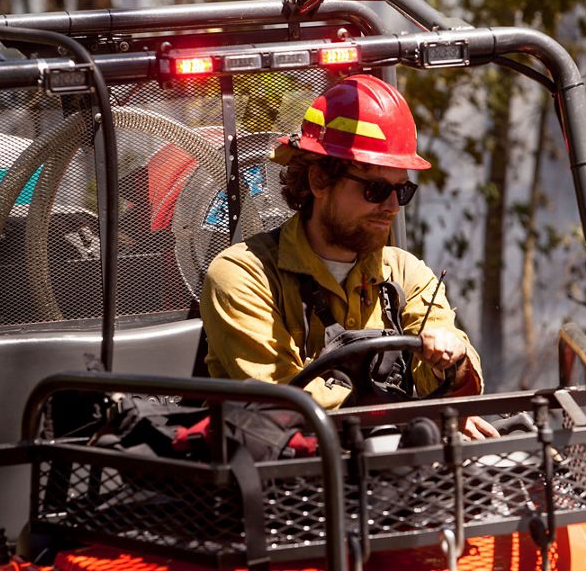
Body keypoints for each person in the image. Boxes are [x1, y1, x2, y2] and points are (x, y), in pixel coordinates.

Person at [200, 74, 496, 439]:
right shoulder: (243, 276)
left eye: (402, 191)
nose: (391, 207)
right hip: (288, 481)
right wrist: (410, 422)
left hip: (396, 474)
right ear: (319, 181)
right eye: (375, 189)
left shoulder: (405, 274)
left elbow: (457, 388)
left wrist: (453, 361)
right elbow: (284, 404)